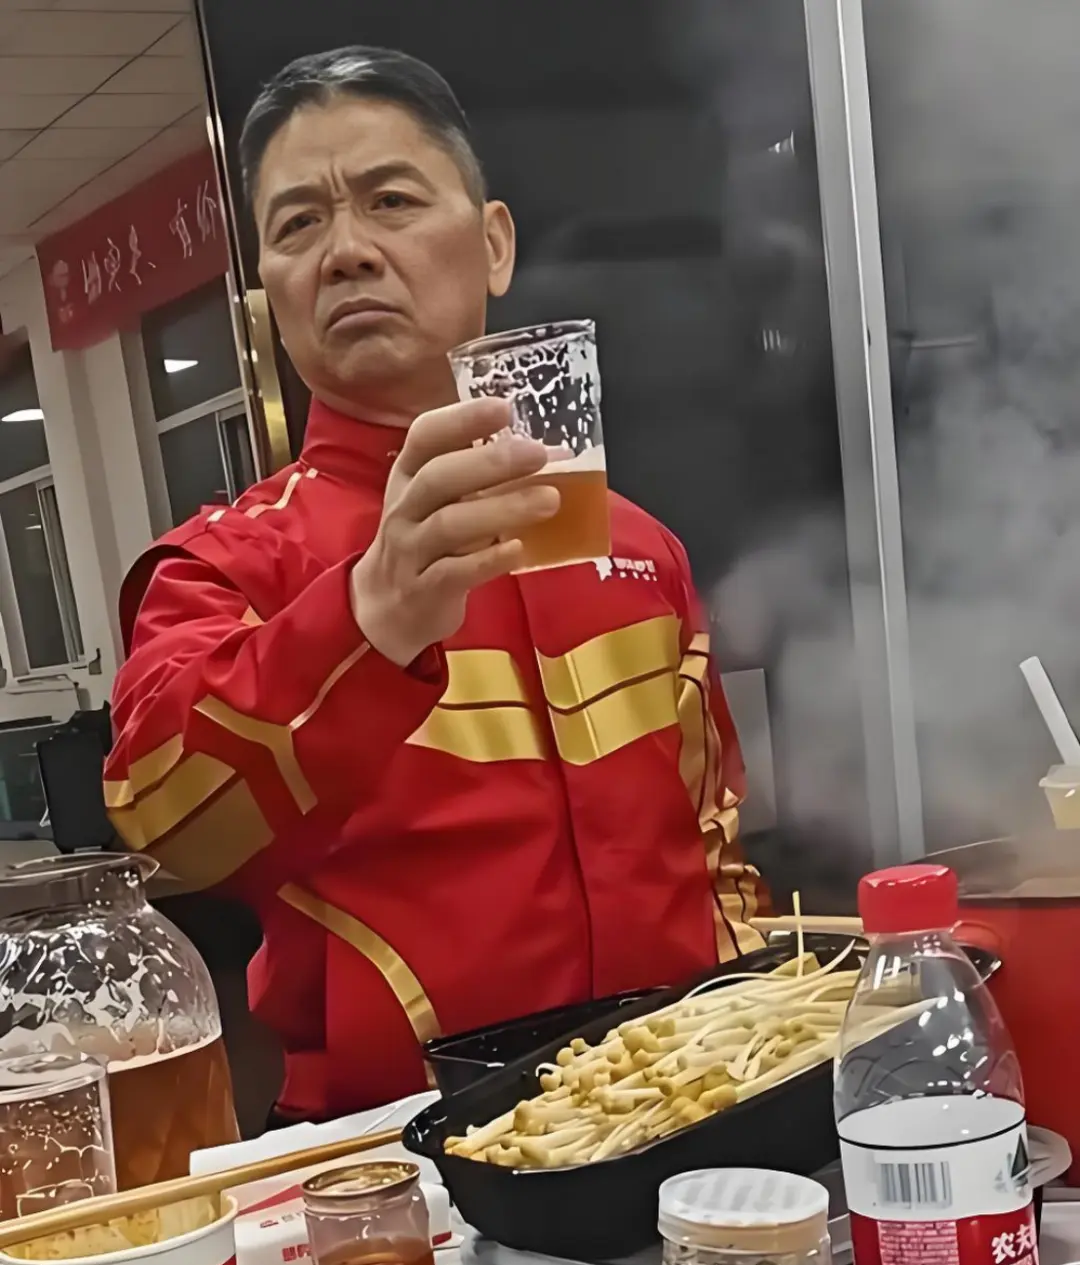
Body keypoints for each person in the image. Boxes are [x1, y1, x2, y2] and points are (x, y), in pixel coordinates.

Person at [105, 46, 769, 1121]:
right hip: (392, 1159)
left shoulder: (638, 546)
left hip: (678, 1115)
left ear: (494, 244)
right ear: (266, 295)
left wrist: (751, 1050)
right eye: (298, 225)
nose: (348, 253)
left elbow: (712, 848)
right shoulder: (229, 563)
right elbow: (165, 821)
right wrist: (370, 616)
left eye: (392, 201)